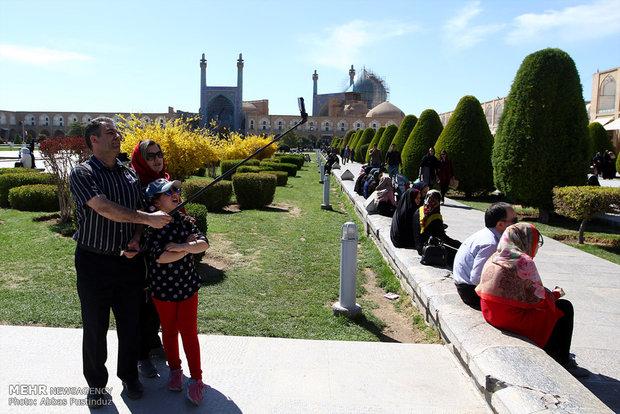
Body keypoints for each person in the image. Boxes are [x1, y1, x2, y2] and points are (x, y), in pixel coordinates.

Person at [69, 117, 172, 408]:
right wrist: (146, 220)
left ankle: (129, 376)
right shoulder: (83, 172)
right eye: (110, 133)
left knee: (130, 324)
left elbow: (139, 208)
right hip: (93, 263)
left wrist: (138, 237)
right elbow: (102, 207)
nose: (117, 137)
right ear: (94, 140)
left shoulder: (129, 175)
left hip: (129, 264)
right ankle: (97, 386)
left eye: (117, 132)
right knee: (95, 327)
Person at [476, 223, 588, 377]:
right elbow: (539, 298)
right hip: (511, 319)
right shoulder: (523, 260)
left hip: (491, 313)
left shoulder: (497, 255)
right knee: (564, 307)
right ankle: (561, 359)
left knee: (554, 307)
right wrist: (555, 294)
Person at [144, 178, 210, 405]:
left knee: (189, 332)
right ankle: (175, 371)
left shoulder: (184, 220)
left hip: (188, 287)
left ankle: (196, 381)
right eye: (167, 192)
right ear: (155, 201)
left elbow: (204, 244)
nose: (175, 193)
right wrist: (187, 249)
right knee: (170, 332)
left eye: (175, 189)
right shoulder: (151, 225)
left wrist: (182, 247)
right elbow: (160, 257)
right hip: (162, 291)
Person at [130, 139, 171, 378]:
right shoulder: (133, 184)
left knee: (157, 304)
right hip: (141, 255)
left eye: (160, 154)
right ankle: (141, 354)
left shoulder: (164, 180)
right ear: (140, 160)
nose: (157, 159)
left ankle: (153, 343)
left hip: (162, 255)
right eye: (151, 156)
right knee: (143, 306)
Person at [452, 202, 517, 310]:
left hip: (466, 287)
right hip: (471, 292)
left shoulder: (487, 235)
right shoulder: (491, 244)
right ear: (500, 224)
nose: (516, 225)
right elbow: (476, 278)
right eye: (514, 221)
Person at [412, 190, 461, 265]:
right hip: (428, 249)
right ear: (437, 201)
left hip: (418, 245)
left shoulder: (419, 210)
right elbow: (443, 238)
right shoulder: (435, 217)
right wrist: (460, 245)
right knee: (458, 255)